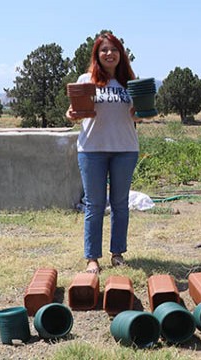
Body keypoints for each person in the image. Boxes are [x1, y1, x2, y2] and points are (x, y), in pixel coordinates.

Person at [66, 32, 142, 274]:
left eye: (114, 49)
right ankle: (92, 258)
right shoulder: (86, 79)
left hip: (125, 149)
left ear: (121, 54)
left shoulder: (130, 82)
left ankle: (117, 253)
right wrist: (71, 115)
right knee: (95, 204)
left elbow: (139, 112)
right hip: (92, 150)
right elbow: (73, 110)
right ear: (97, 55)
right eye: (104, 50)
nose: (109, 54)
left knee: (120, 204)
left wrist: (142, 112)